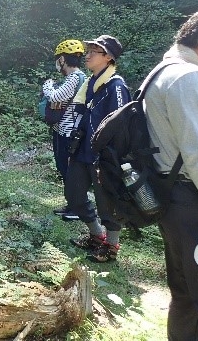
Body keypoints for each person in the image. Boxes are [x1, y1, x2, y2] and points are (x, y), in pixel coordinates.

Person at [144, 9, 198, 340]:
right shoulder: (187, 77)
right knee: (194, 299)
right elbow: (197, 154)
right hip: (191, 201)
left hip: (173, 200)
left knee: (185, 297)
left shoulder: (162, 71)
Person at [66, 35, 131, 262]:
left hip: (103, 155)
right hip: (82, 149)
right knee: (73, 194)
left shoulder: (116, 86)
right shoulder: (90, 83)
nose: (88, 54)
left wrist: (113, 156)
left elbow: (123, 121)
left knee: (108, 202)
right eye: (89, 49)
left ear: (109, 58)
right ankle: (96, 235)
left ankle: (111, 246)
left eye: (95, 51)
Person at [41, 39, 86, 220]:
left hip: (69, 132)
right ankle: (72, 204)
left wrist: (47, 85)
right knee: (64, 167)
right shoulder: (76, 77)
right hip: (64, 129)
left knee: (69, 169)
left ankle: (77, 208)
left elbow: (55, 97)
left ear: (62, 59)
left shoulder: (75, 77)